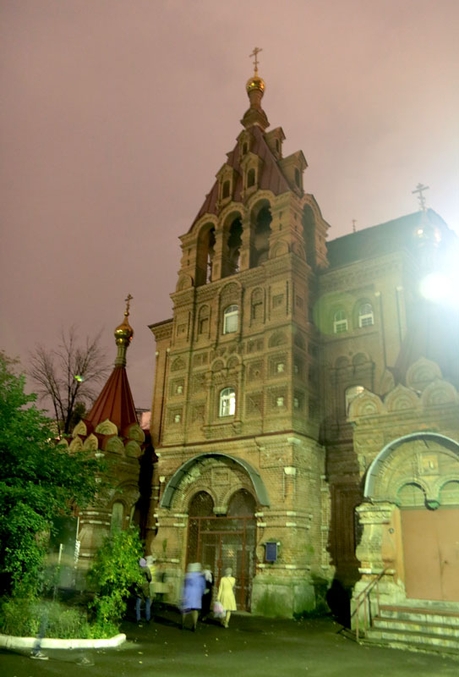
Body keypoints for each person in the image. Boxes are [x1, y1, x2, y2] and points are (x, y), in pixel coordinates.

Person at [181, 562, 206, 631]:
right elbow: (203, 587)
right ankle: (194, 625)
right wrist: (201, 593)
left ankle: (182, 624)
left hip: (188, 593)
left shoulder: (187, 576)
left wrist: (182, 594)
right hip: (196, 595)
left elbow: (184, 585)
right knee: (195, 610)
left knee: (185, 609)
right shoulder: (200, 577)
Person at [136, 557, 152, 625]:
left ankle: (138, 619)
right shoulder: (147, 569)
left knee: (138, 602)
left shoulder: (137, 569)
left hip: (139, 586)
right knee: (147, 602)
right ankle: (147, 619)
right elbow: (149, 578)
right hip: (145, 587)